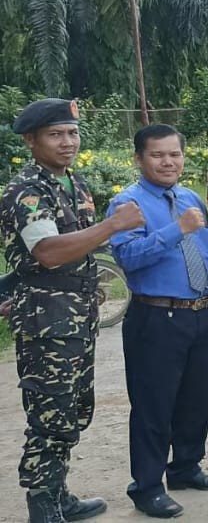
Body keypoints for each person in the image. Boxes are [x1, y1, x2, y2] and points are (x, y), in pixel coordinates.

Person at [1, 98, 131, 522]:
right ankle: (42, 505)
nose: (67, 142)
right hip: (46, 321)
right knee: (50, 414)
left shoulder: (72, 183)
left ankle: (58, 494)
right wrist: (112, 225)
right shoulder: (27, 190)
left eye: (72, 133)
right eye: (56, 134)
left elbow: (80, 247)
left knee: (75, 409)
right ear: (31, 140)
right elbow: (48, 252)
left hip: (74, 317)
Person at [109, 124, 208, 519]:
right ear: (139, 159)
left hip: (200, 313)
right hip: (156, 316)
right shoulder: (128, 205)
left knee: (197, 399)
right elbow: (128, 258)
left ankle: (185, 467)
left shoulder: (189, 198)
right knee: (153, 406)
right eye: (157, 155)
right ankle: (146, 486)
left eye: (174, 154)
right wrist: (175, 230)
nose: (168, 162)